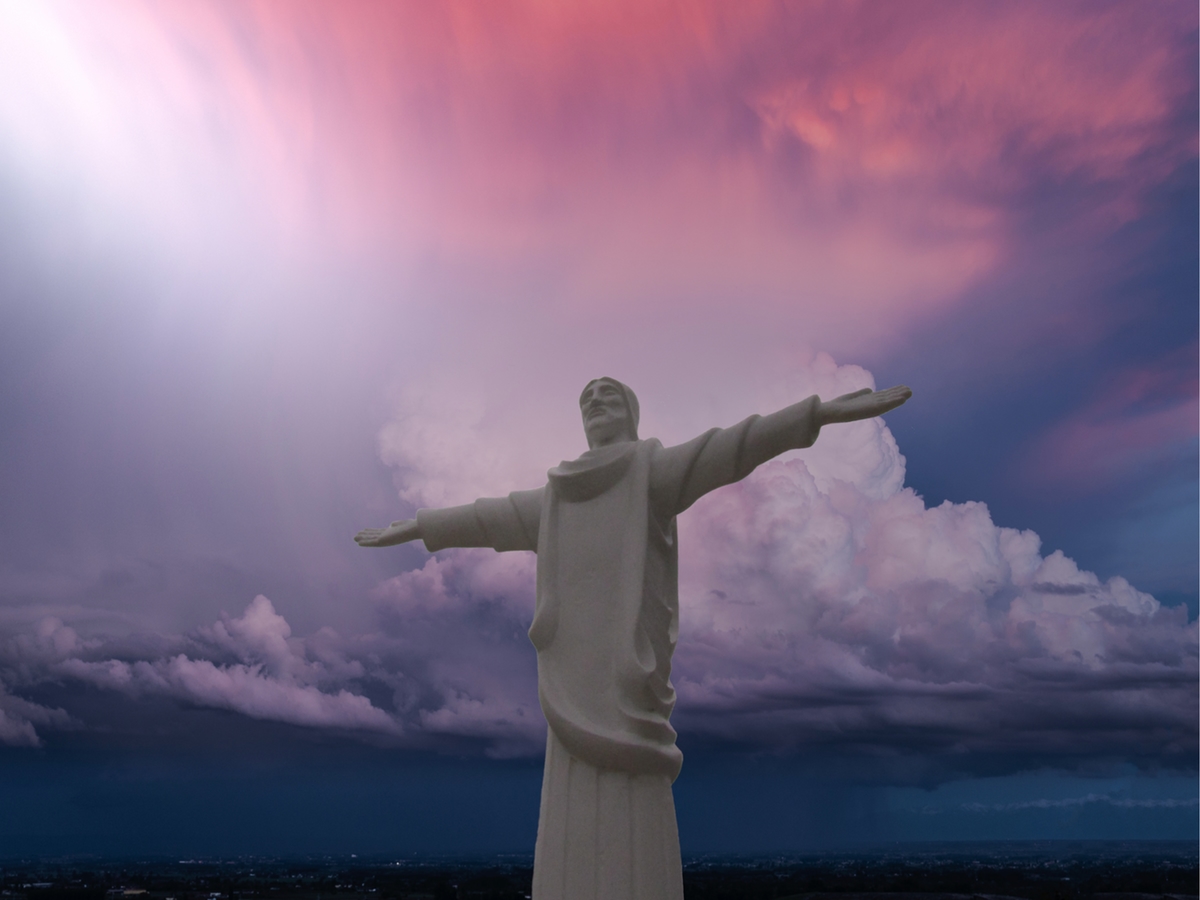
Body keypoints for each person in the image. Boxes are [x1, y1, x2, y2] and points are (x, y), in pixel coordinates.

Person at [355, 377, 911, 900]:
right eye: (587, 397)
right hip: (572, 670)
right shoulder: (556, 498)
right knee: (570, 798)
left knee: (632, 795)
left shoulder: (651, 472)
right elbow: (487, 518)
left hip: (626, 670)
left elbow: (735, 446)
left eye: (609, 393)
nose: (596, 399)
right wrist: (422, 526)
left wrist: (816, 414)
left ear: (631, 413)